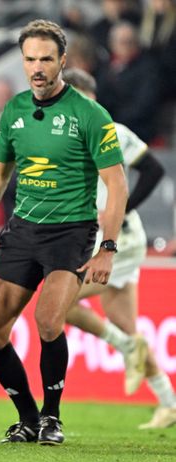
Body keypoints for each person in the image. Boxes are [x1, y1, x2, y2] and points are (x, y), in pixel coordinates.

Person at [0, 20, 128, 446]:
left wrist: (107, 247)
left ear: (62, 61)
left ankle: (53, 418)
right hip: (23, 230)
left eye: (46, 59)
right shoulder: (13, 111)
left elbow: (117, 184)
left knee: (49, 321)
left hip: (71, 231)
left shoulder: (89, 114)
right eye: (30, 58)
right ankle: (28, 417)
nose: (37, 67)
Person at [60, 68, 175, 429]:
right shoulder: (66, 141)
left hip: (120, 240)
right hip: (98, 238)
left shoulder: (113, 132)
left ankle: (126, 348)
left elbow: (154, 170)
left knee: (59, 302)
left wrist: (120, 210)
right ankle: (169, 402)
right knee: (126, 324)